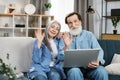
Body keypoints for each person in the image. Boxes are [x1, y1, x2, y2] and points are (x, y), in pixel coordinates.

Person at [62, 12, 108, 80]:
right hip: (73, 69)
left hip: (90, 68)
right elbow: (61, 57)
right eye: (70, 23)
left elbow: (99, 50)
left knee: (102, 71)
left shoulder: (89, 35)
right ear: (67, 25)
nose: (73, 25)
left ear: (80, 22)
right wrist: (66, 46)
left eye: (75, 21)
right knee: (74, 71)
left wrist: (98, 61)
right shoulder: (64, 37)